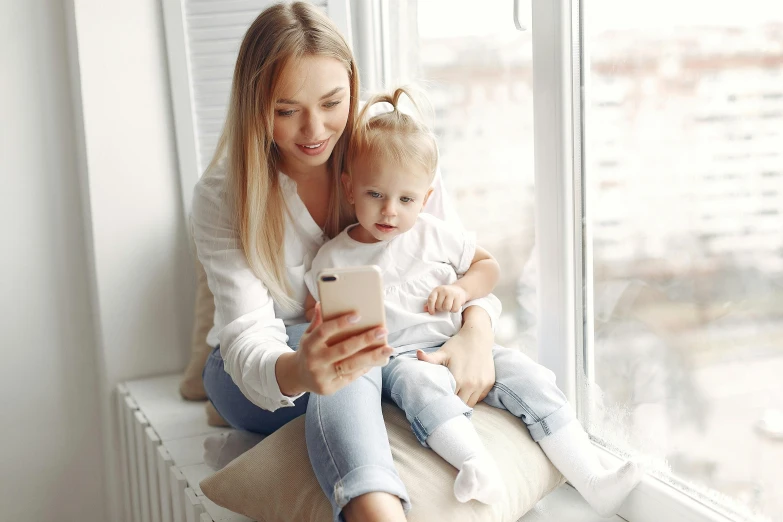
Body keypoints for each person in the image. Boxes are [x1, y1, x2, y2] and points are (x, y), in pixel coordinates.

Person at [191, 3, 499, 521]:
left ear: (352, 89)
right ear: (254, 107)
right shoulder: (225, 195)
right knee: (350, 345)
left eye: (332, 102)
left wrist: (477, 332)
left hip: (388, 350)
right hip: (254, 372)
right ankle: (373, 510)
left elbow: (454, 261)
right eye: (286, 110)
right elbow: (246, 334)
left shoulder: (393, 156)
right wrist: (298, 368)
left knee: (362, 347)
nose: (314, 129)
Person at [301, 86, 644, 517]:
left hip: (462, 341)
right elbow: (321, 316)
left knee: (530, 375)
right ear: (350, 189)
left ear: (425, 198)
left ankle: (592, 480)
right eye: (375, 195)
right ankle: (474, 464)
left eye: (406, 199)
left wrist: (462, 291)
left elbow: (489, 268)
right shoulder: (334, 255)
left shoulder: (436, 234)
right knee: (419, 384)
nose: (390, 211)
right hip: (407, 358)